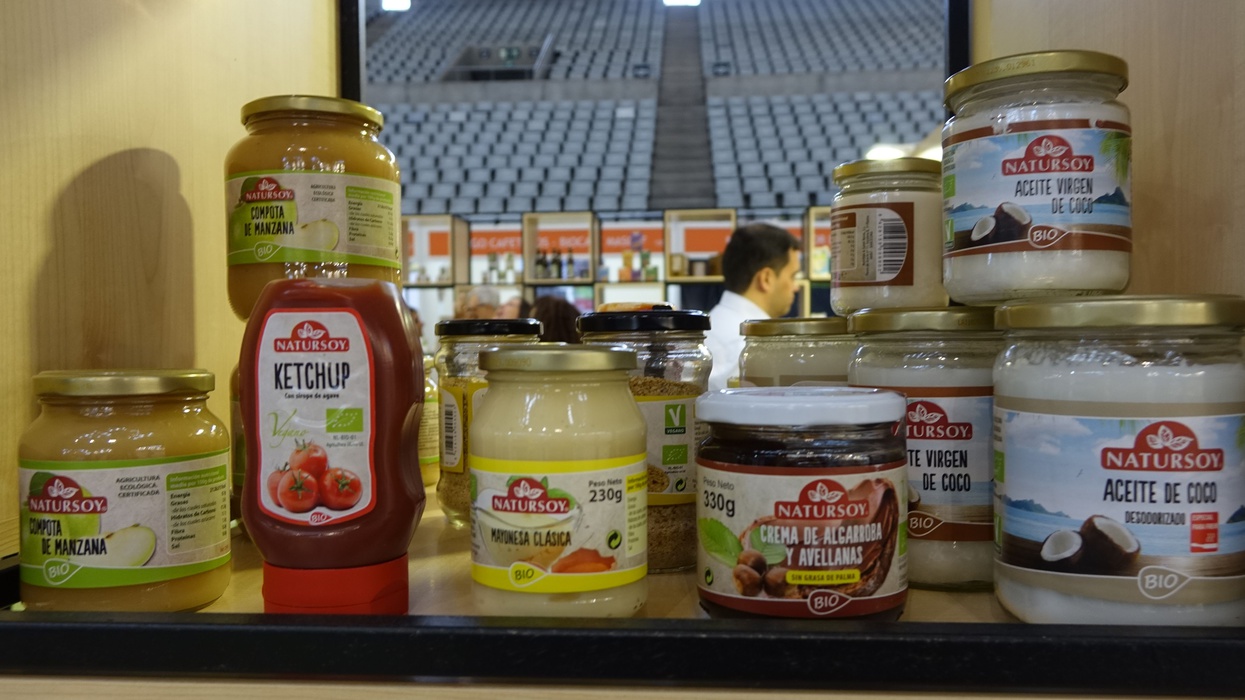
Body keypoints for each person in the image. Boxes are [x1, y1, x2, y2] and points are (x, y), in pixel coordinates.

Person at [704, 223, 802, 391]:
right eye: (792, 276)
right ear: (766, 279)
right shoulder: (751, 350)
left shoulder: (712, 327)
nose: (796, 287)